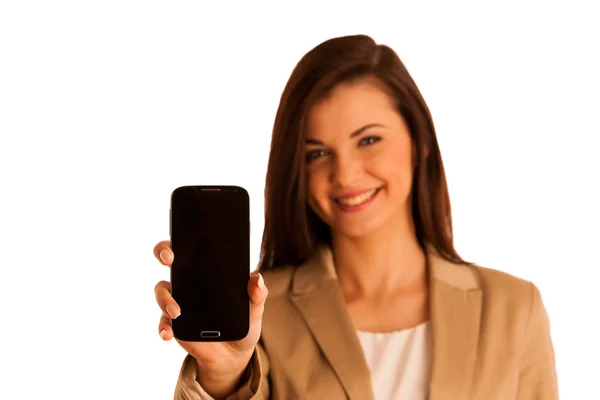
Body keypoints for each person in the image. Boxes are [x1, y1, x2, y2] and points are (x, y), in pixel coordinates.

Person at [153, 34, 558, 399]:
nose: (345, 175)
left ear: (419, 141)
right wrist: (223, 373)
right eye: (317, 153)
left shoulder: (513, 309)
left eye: (369, 140)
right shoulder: (259, 315)